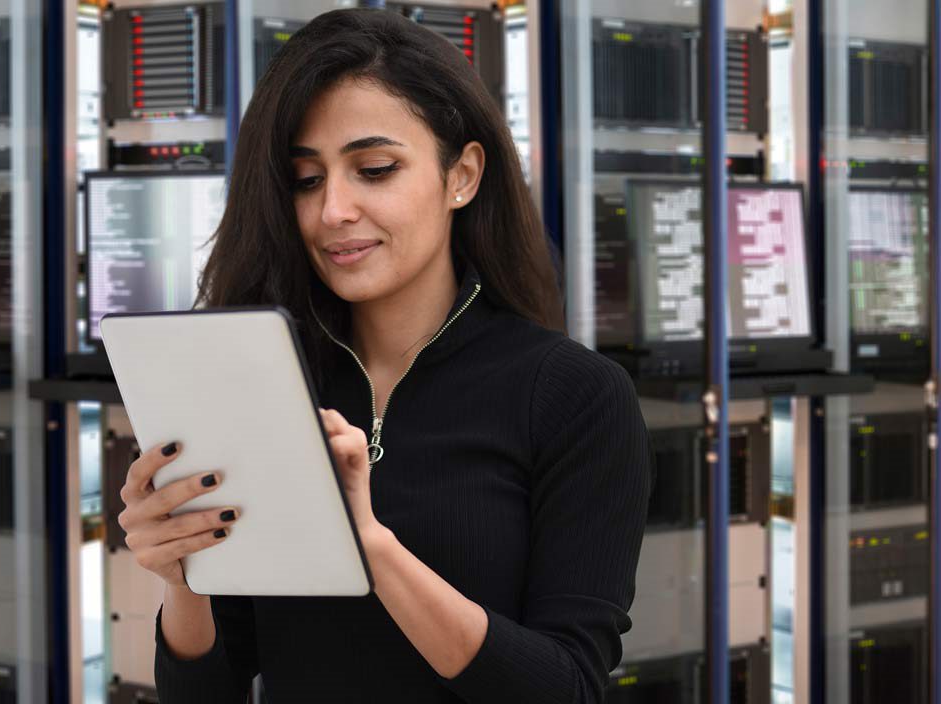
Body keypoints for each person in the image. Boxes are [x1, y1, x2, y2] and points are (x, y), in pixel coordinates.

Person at [117, 8, 653, 703]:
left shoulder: (575, 396)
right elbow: (206, 693)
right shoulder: (264, 383)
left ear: (462, 175)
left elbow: (569, 688)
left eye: (374, 169)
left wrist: (369, 546)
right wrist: (182, 575)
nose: (333, 210)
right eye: (306, 179)